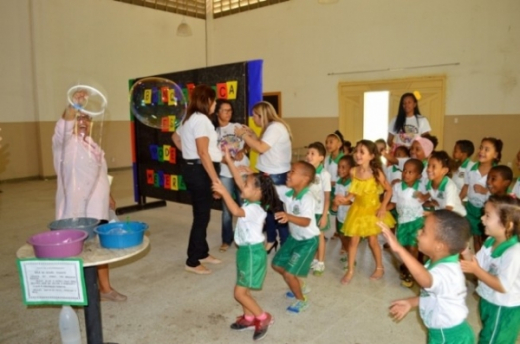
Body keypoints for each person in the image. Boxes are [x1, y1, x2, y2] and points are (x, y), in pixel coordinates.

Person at [53, 93, 126, 301]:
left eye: (87, 118)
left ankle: (106, 289)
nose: (83, 122)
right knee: (75, 250)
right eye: (79, 117)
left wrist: (109, 194)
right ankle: (75, 295)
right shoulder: (64, 144)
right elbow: (62, 129)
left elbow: (99, 173)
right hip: (75, 209)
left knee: (100, 248)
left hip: (98, 207)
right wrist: (74, 105)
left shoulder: (92, 144)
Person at [212, 148, 279, 341]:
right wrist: (228, 160)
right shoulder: (252, 200)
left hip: (252, 253)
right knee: (244, 286)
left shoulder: (255, 210)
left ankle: (263, 317)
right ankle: (249, 317)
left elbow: (234, 210)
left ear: (258, 191)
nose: (243, 188)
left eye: (247, 185)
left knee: (239, 293)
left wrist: (224, 191)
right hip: (245, 251)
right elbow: (239, 179)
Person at [379, 210, 474, 344]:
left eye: (423, 231)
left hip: (449, 337)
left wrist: (399, 248)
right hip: (443, 332)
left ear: (439, 246)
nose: (418, 233)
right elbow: (435, 295)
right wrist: (411, 302)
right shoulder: (436, 262)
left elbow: (426, 281)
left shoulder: (447, 271)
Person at [172, 85, 222, 275]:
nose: (215, 104)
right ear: (207, 101)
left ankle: (202, 252)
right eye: (214, 100)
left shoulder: (189, 119)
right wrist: (215, 180)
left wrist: (188, 153)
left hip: (193, 168)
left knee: (202, 213)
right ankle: (192, 261)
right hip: (201, 171)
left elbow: (175, 138)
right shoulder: (201, 120)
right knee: (202, 216)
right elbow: (203, 152)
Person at [461, 195, 520, 344]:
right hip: (488, 299)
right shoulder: (490, 241)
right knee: (488, 334)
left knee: (494, 340)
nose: (482, 218)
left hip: (503, 307)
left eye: (487, 215)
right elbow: (477, 265)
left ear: (508, 224)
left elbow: (502, 286)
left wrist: (476, 270)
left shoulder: (513, 252)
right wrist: (467, 253)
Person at [235, 102, 292, 252]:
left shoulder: (275, 128)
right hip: (269, 172)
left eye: (255, 115)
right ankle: (272, 240)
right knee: (268, 210)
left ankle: (285, 246)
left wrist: (243, 135)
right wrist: (252, 135)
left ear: (262, 115)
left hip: (275, 175)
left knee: (277, 212)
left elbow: (260, 147)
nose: (253, 118)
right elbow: (262, 145)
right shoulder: (271, 127)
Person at [340, 140, 395, 285]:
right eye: (356, 151)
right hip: (357, 210)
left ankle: (380, 267)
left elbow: (389, 190)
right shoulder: (353, 171)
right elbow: (354, 192)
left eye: (362, 152)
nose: (357, 154)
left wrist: (383, 206)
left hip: (372, 210)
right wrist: (344, 199)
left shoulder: (377, 173)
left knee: (373, 241)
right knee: (353, 241)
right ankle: (350, 270)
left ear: (371, 156)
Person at [271, 161, 319, 314]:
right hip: (295, 238)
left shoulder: (307, 198)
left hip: (308, 241)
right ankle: (299, 284)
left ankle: (301, 300)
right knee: (277, 265)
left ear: (304, 178)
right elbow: (271, 189)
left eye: (292, 172)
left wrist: (288, 216)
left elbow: (306, 221)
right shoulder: (289, 193)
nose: (288, 174)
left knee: (289, 273)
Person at [215, 99, 250, 253]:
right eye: (224, 110)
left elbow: (250, 142)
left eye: (230, 110)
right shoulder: (214, 132)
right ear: (217, 112)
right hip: (225, 172)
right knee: (227, 208)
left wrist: (244, 151)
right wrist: (226, 160)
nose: (228, 113)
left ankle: (247, 236)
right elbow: (213, 155)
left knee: (245, 204)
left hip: (241, 170)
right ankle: (226, 239)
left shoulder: (237, 127)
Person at [460, 137, 503, 253]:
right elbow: (466, 186)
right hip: (471, 208)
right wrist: (458, 200)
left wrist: (486, 191)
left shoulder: (496, 172)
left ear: (495, 155)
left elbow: (500, 192)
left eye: (487, 149)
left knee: (486, 237)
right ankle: (479, 261)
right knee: (476, 236)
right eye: (481, 148)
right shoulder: (471, 168)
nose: (482, 151)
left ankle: (487, 258)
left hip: (486, 211)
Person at [387, 158, 425, 288]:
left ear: (418, 176)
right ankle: (407, 264)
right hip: (402, 222)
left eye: (410, 172)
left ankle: (410, 272)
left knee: (413, 247)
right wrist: (382, 209)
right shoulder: (397, 187)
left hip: (417, 221)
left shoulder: (422, 187)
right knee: (402, 249)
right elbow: (393, 204)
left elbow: (429, 201)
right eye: (404, 171)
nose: (406, 174)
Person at [305, 142, 331, 276]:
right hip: (308, 211)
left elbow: (327, 197)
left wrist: (325, 215)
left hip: (319, 212)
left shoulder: (324, 175)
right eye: (308, 153)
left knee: (320, 236)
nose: (309, 156)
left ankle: (321, 262)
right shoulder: (307, 172)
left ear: (321, 157)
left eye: (312, 154)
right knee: (312, 236)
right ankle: (315, 259)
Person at [424, 151, 467, 216]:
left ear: (444, 171)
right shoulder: (428, 182)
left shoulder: (449, 186)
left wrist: (431, 214)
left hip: (456, 216)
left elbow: (448, 209)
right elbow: (430, 196)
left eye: (433, 167)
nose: (429, 169)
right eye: (428, 165)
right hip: (442, 213)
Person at [331, 155, 355, 266]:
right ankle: (348, 253)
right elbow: (336, 196)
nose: (340, 169)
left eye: (343, 167)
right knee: (341, 235)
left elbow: (352, 201)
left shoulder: (353, 183)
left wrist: (340, 202)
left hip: (350, 216)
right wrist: (335, 204)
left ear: (351, 169)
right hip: (340, 215)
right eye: (339, 167)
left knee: (350, 238)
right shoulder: (339, 182)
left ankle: (351, 259)